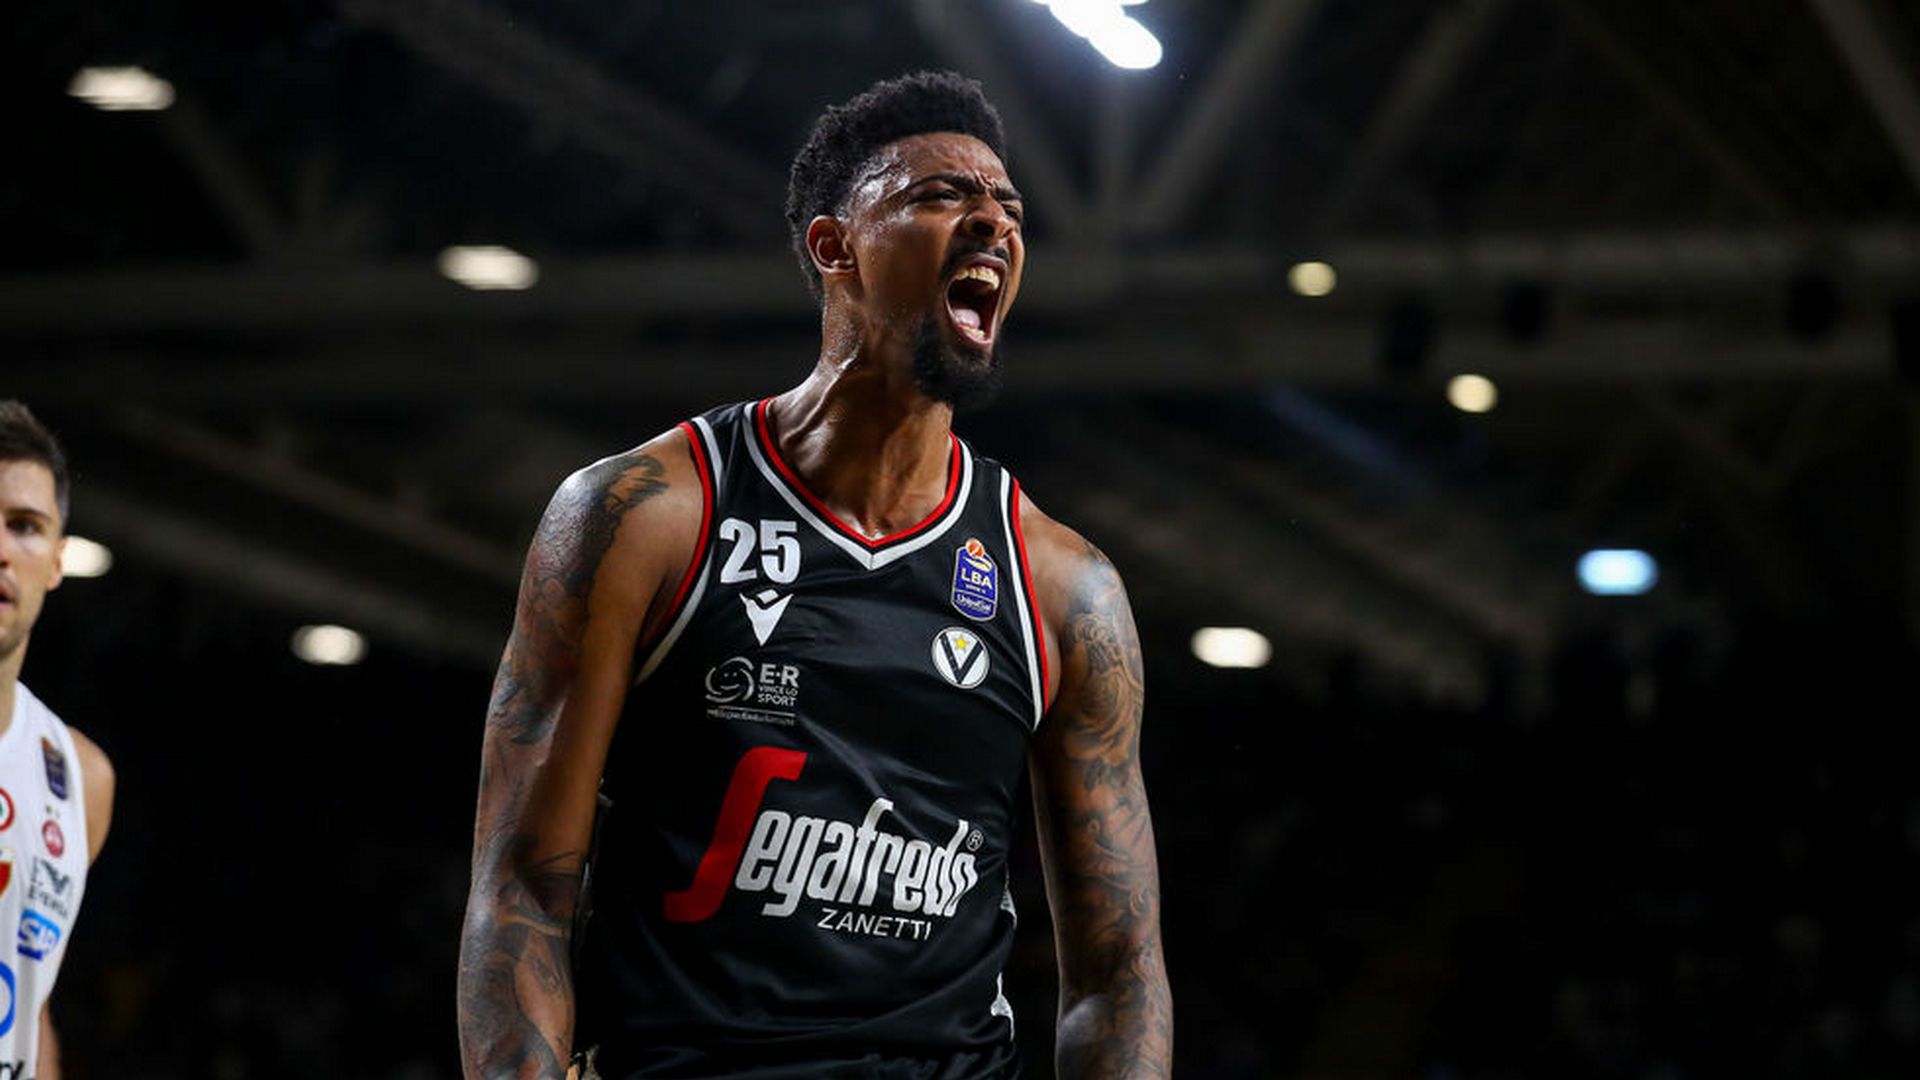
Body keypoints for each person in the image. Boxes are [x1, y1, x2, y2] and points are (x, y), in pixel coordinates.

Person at [457, 71, 1171, 1079]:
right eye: (941, 195)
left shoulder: (1062, 584)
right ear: (835, 247)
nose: (993, 223)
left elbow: (1118, 969)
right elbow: (524, 889)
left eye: (1010, 208)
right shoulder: (646, 515)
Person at [0, 401, 116, 1080]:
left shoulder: (79, 778)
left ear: (56, 562)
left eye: (24, 526)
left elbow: (31, 1001)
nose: (1, 550)